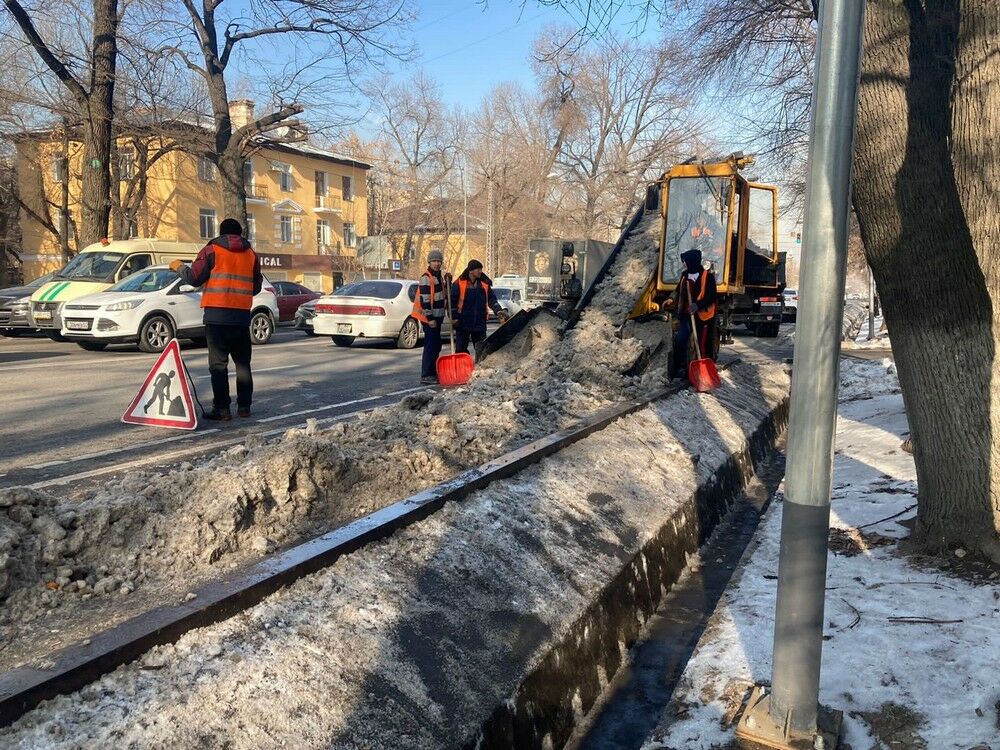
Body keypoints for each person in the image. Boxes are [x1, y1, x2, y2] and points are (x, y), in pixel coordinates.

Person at [170, 218, 263, 420]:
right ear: (240, 233)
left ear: (221, 233)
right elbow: (255, 287)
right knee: (243, 365)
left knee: (218, 366)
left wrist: (178, 266)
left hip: (216, 318)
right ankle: (244, 407)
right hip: (241, 318)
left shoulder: (211, 250)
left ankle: (222, 410)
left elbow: (194, 278)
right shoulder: (251, 254)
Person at [669, 248, 718, 380]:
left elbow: (711, 296)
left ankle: (704, 370)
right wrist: (671, 298)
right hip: (685, 316)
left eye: (685, 261)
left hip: (702, 317)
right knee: (681, 340)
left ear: (692, 261)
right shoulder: (684, 275)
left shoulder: (708, 277)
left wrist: (697, 305)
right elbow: (678, 290)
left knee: (701, 344)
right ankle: (683, 367)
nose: (684, 264)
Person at [451, 259, 503, 358]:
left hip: (479, 322)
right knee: (460, 349)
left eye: (481, 269)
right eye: (478, 269)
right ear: (470, 271)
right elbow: (452, 302)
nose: (480, 271)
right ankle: (464, 367)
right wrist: (454, 317)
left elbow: (492, 299)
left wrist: (498, 310)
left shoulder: (484, 283)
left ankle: (480, 370)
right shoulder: (459, 283)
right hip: (463, 322)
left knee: (481, 349)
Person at [411, 248, 448, 384]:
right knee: (431, 346)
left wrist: (447, 282)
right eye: (434, 261)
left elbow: (442, 294)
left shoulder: (438, 276)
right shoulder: (426, 278)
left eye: (438, 261)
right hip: (430, 318)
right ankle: (426, 375)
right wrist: (430, 318)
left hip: (437, 317)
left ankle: (432, 373)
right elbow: (425, 299)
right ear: (429, 262)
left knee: (436, 345)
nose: (437, 263)